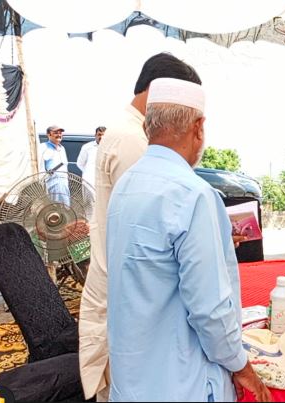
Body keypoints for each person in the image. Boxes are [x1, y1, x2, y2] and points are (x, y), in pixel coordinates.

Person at [106, 78, 271, 402]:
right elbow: (210, 310)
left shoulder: (125, 185)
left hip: (133, 379)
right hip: (182, 383)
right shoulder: (194, 194)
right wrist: (241, 366)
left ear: (148, 127)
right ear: (198, 128)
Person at [78, 53, 203, 401]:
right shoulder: (133, 140)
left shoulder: (128, 131)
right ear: (156, 92)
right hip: (128, 297)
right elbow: (149, 230)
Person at [38, 125, 70, 205]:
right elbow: (40, 167)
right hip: (52, 184)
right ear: (49, 134)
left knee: (66, 209)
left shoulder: (62, 148)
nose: (59, 135)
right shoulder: (43, 147)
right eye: (56, 133)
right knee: (54, 209)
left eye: (60, 133)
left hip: (64, 185)